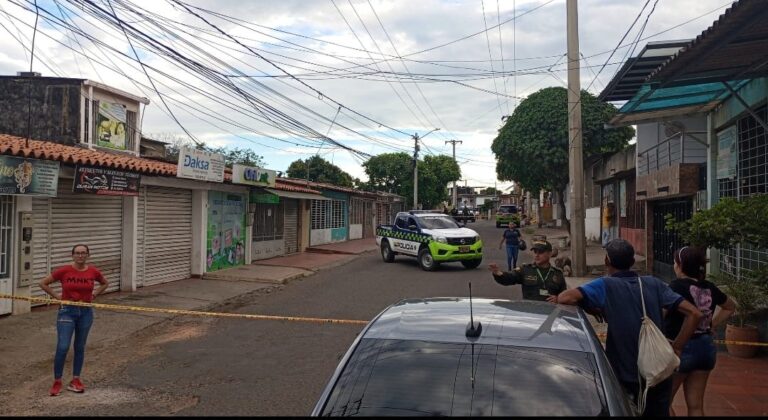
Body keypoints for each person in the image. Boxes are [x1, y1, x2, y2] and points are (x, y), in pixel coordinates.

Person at [554, 239, 703, 417]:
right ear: (632, 262)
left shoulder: (604, 285)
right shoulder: (653, 283)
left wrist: (590, 307)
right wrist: (678, 347)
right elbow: (695, 314)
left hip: (624, 373)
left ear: (607, 261)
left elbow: (564, 298)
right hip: (658, 370)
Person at [665, 246, 736, 417]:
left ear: (680, 265)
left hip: (680, 348)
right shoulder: (709, 287)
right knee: (696, 405)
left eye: (675, 262)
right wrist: (712, 324)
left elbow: (661, 313)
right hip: (706, 349)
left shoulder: (674, 287)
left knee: (662, 403)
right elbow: (729, 307)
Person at [39, 244, 108, 396]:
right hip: (67, 312)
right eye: (77, 253)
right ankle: (57, 381)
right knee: (63, 346)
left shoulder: (93, 271)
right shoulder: (64, 270)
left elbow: (105, 283)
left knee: (80, 346)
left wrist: (94, 295)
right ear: (72, 255)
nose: (80, 256)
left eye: (83, 253)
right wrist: (58, 297)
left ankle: (75, 380)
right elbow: (43, 283)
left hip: (85, 312)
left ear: (88, 255)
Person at [488, 240, 566, 302]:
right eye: (535, 252)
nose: (537, 255)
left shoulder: (558, 274)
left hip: (550, 314)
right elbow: (509, 278)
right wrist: (497, 272)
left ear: (549, 254)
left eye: (541, 252)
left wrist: (558, 299)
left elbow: (565, 296)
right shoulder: (525, 270)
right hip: (529, 313)